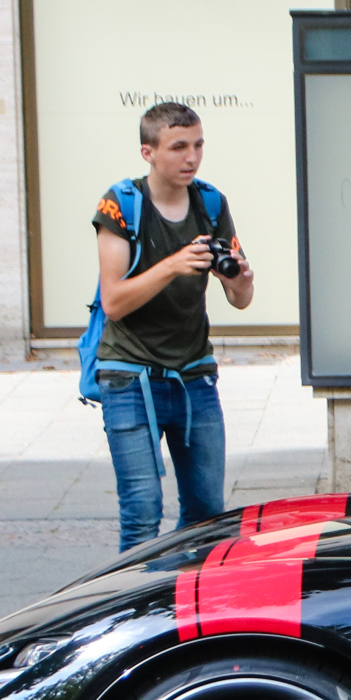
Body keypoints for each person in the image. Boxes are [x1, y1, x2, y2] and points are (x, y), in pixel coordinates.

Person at [93, 102, 254, 551]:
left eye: (198, 145)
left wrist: (240, 281)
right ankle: (136, 613)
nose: (192, 157)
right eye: (179, 147)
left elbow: (241, 300)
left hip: (194, 376)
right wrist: (173, 265)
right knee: (142, 513)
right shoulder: (121, 203)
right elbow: (114, 302)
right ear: (148, 152)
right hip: (129, 378)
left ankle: (188, 607)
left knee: (207, 514)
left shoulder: (210, 201)